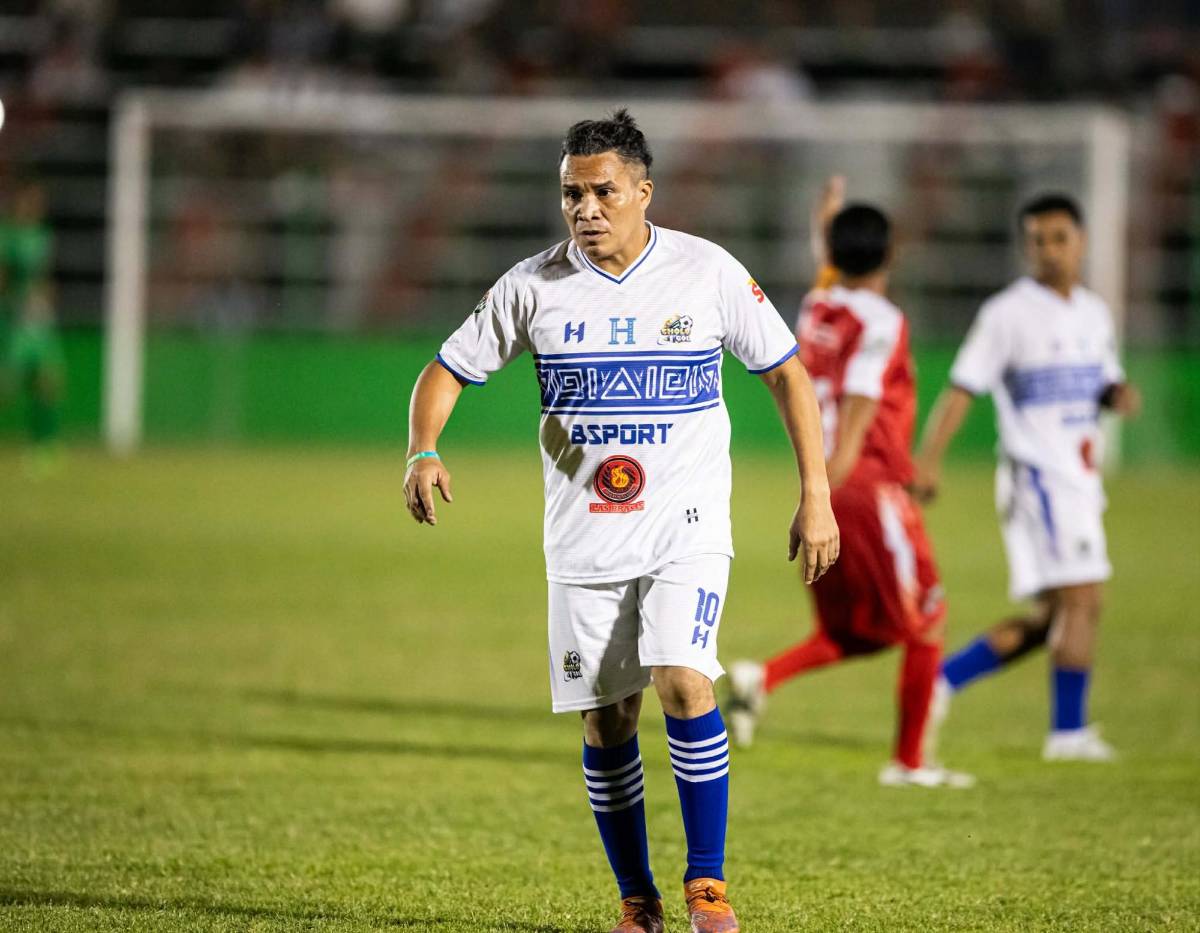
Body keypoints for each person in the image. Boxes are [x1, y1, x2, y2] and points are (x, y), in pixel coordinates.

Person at [404, 110, 839, 933]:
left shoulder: (705, 272)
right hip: (584, 538)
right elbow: (446, 368)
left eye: (604, 190)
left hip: (687, 524)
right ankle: (636, 901)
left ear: (644, 191)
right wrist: (422, 448)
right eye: (572, 193)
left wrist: (814, 490)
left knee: (684, 678)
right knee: (609, 719)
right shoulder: (532, 286)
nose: (587, 207)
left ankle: (707, 885)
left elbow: (786, 373)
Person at [728, 178, 972, 788]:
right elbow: (861, 413)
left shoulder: (819, 304)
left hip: (833, 483)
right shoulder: (884, 321)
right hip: (864, 486)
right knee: (929, 616)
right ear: (891, 255)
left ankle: (763, 678)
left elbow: (827, 273)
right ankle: (910, 764)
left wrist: (828, 222)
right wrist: (828, 494)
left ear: (835, 256)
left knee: (852, 631)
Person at [912, 193, 1141, 762]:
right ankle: (1068, 734)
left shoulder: (1092, 312)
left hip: (1080, 479)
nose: (1048, 251)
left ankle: (939, 683)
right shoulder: (1007, 314)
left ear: (1080, 242)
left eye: (1058, 239)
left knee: (1052, 619)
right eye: (1037, 240)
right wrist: (930, 459)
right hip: (1040, 477)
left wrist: (1117, 394)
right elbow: (964, 386)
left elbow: (1102, 381)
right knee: (1084, 600)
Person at [0, 180, 63, 470]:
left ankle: (42, 446)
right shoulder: (7, 236)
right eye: (30, 199)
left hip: (39, 319)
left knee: (49, 381)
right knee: (8, 387)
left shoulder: (41, 236)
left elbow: (45, 276)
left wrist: (46, 301)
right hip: (14, 319)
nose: (35, 205)